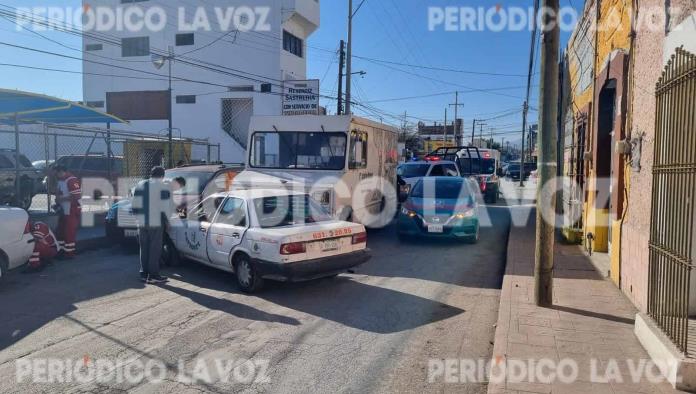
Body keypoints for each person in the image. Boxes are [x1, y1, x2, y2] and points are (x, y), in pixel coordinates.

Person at [132, 166, 171, 284]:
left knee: (144, 248)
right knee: (155, 249)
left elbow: (134, 204)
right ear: (162, 176)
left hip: (141, 221)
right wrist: (167, 221)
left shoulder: (140, 184)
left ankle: (143, 274)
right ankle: (153, 275)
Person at [53, 164, 81, 259]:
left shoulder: (71, 180)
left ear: (61, 172)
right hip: (64, 209)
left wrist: (61, 199)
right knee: (60, 231)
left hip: (71, 209)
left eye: (56, 173)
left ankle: (69, 253)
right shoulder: (61, 180)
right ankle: (61, 250)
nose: (55, 176)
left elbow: (76, 196)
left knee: (69, 231)